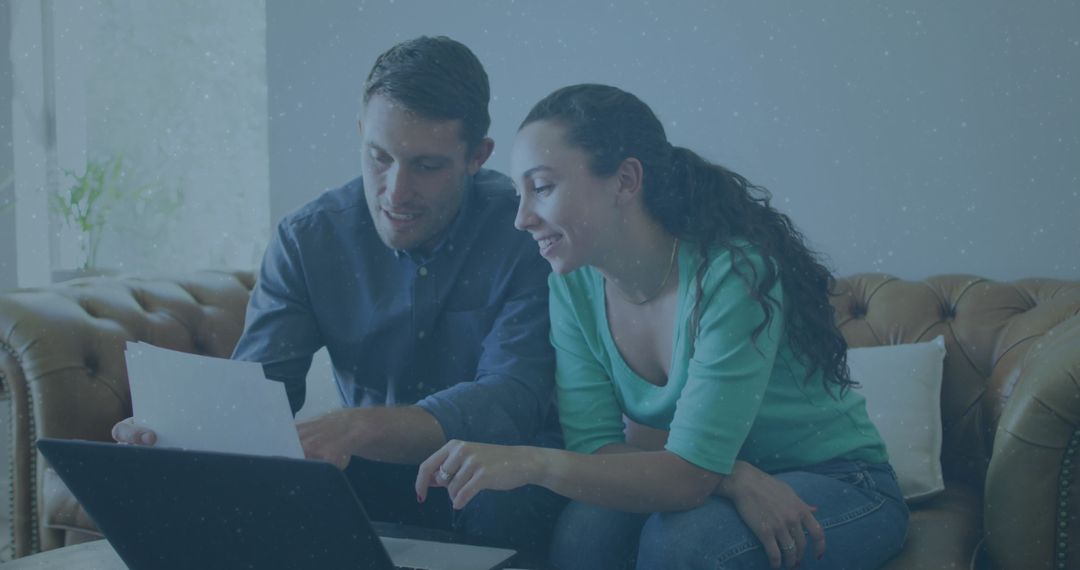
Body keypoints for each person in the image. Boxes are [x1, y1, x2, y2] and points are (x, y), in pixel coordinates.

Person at [414, 84, 909, 570]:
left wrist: (532, 462)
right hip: (717, 478)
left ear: (626, 180)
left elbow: (688, 479)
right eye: (519, 193)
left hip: (841, 480)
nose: (521, 218)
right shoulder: (572, 285)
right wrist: (730, 477)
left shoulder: (732, 275)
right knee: (586, 531)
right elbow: (595, 449)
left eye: (541, 188)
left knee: (684, 543)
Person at [112, 36, 565, 557]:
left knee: (500, 498)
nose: (395, 191)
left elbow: (512, 398)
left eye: (426, 166)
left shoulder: (527, 231)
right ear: (360, 132)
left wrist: (356, 426)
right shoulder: (309, 239)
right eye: (379, 157)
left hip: (502, 467)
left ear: (476, 156)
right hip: (373, 469)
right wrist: (172, 433)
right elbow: (259, 394)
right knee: (270, 496)